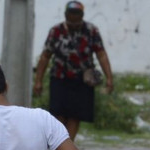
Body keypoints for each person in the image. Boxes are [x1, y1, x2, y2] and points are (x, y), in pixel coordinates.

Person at [33, 0, 114, 141]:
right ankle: (57, 142)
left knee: (76, 115)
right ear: (65, 14)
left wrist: (109, 78)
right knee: (58, 113)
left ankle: (67, 145)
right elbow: (45, 56)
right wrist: (38, 81)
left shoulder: (91, 31)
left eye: (77, 13)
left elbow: (101, 54)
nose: (74, 16)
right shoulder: (56, 31)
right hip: (59, 77)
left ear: (82, 15)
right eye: (71, 13)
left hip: (82, 80)